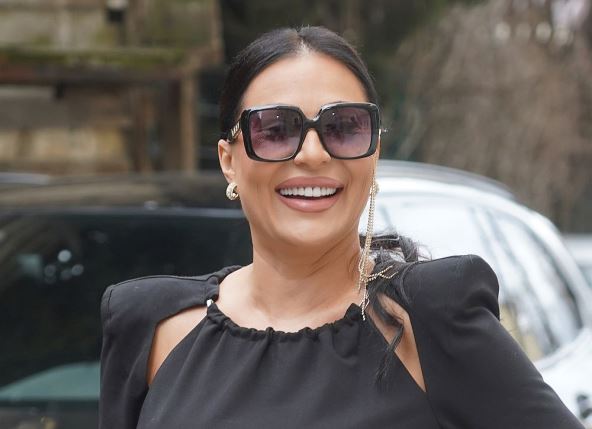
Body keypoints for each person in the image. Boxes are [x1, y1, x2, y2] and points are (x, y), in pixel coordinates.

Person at [99, 26, 584, 428]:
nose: (313, 154)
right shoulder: (154, 328)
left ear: (373, 154)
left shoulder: (428, 321)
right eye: (275, 130)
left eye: (344, 127)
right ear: (229, 160)